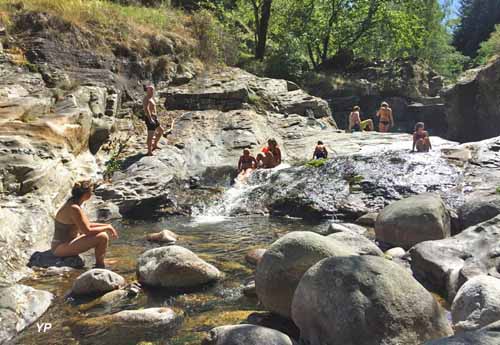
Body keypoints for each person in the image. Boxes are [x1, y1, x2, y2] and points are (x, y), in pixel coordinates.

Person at [51, 181, 118, 269]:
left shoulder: (73, 203)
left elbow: (87, 225)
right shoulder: (74, 208)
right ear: (86, 195)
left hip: (66, 243)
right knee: (102, 237)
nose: (92, 193)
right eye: (91, 191)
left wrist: (107, 226)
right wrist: (106, 228)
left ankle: (101, 260)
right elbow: (87, 231)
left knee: (101, 234)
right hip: (59, 248)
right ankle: (100, 265)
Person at [143, 85, 164, 156]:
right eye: (151, 90)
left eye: (153, 90)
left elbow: (153, 109)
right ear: (147, 90)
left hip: (154, 118)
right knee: (150, 136)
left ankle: (154, 145)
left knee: (161, 131)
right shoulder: (146, 98)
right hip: (150, 119)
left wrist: (156, 117)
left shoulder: (151, 98)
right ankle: (149, 152)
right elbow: (146, 109)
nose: (152, 91)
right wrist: (150, 119)